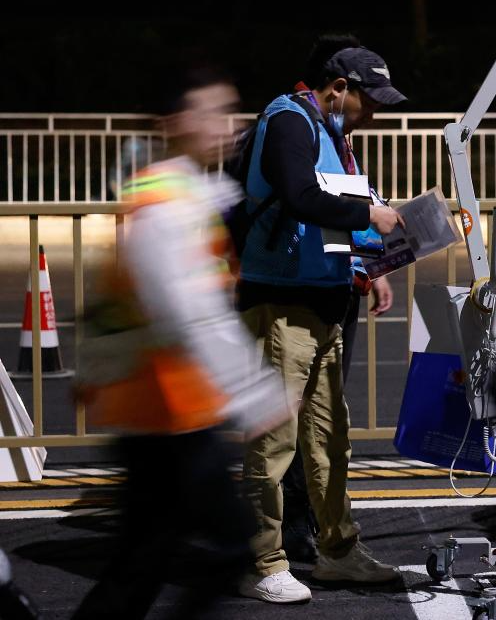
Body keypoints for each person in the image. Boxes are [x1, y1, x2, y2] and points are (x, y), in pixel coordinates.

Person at [73, 63, 288, 619]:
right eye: (212, 112)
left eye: (231, 111)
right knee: (223, 549)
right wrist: (256, 393)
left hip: (168, 412)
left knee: (141, 564)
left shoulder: (182, 193)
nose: (229, 125)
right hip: (167, 414)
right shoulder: (165, 206)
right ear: (175, 122)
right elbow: (187, 314)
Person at [236, 35, 406, 603]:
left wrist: (368, 261)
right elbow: (301, 196)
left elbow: (324, 215)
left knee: (329, 442)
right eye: (369, 102)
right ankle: (263, 562)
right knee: (274, 442)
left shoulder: (329, 132)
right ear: (338, 89)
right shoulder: (289, 120)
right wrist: (369, 215)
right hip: (284, 305)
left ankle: (337, 551)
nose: (373, 114)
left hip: (323, 302)